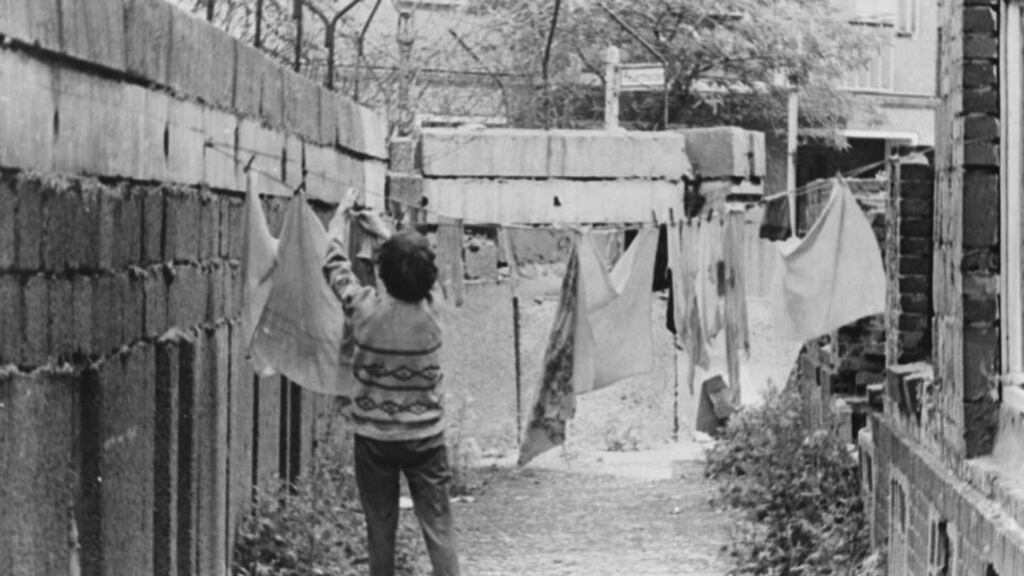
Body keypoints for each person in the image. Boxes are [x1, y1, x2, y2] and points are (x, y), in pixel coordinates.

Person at [322, 204, 460, 576]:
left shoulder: (364, 309)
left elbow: (335, 269)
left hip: (374, 438)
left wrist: (338, 225)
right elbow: (420, 269)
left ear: (381, 273)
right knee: (439, 528)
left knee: (380, 529)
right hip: (427, 438)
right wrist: (384, 231)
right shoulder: (435, 310)